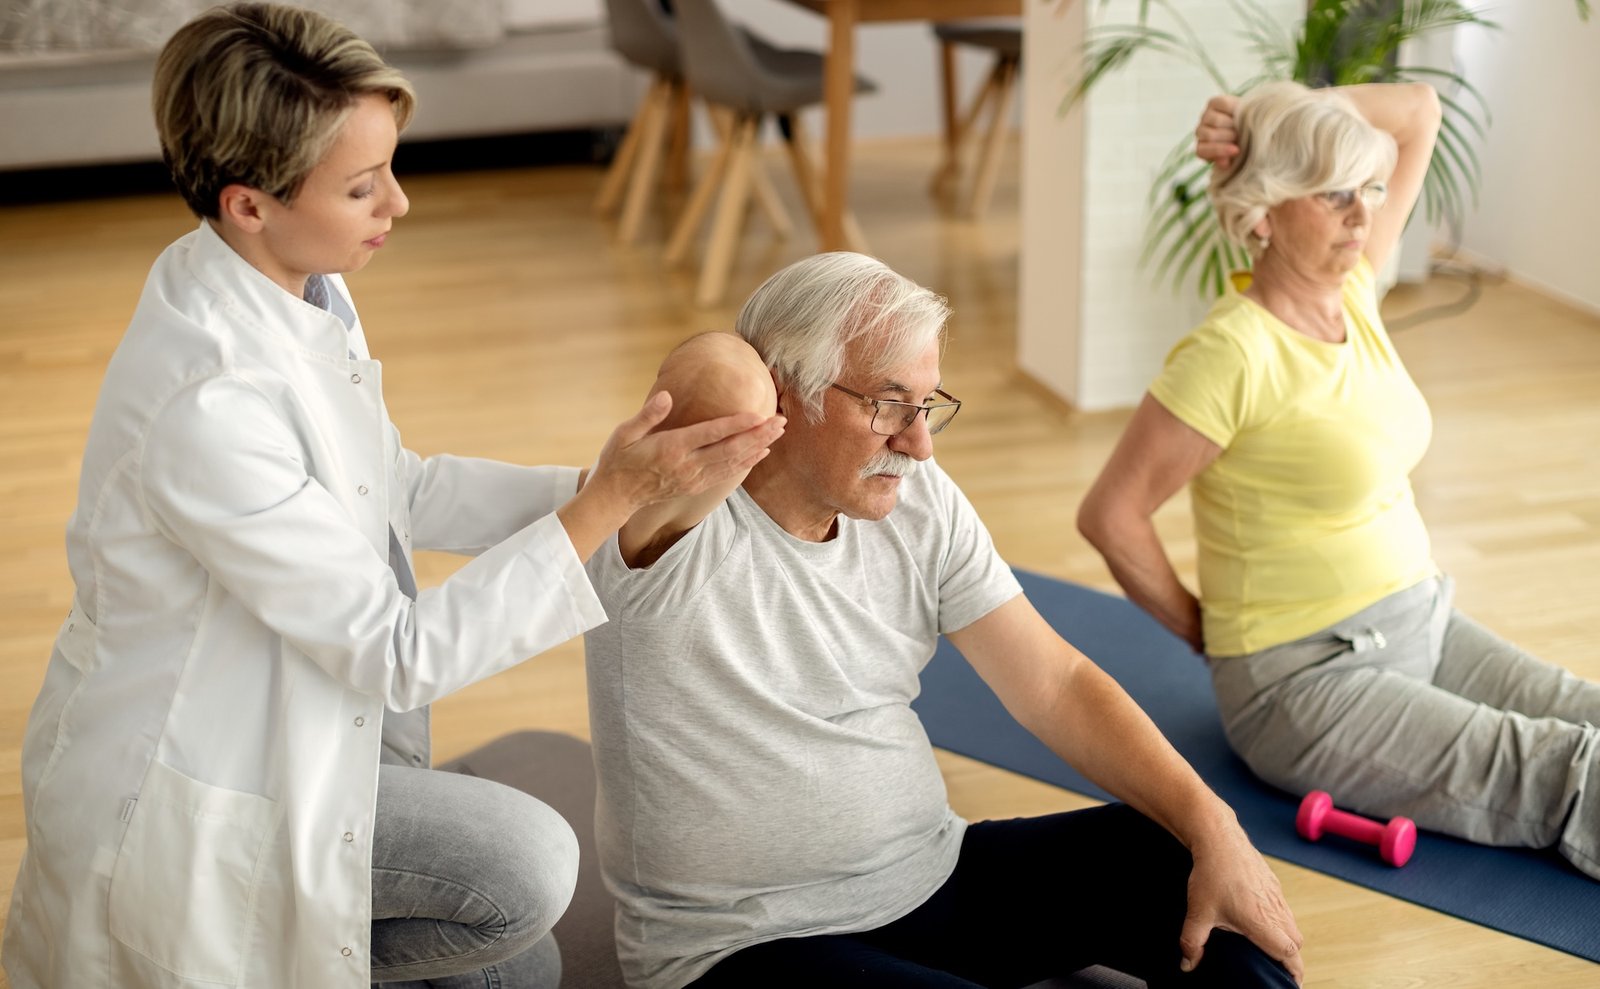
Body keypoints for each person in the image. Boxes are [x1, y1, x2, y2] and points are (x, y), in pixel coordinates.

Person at [0, 5, 784, 988]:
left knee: (522, 972)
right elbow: (396, 652)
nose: (399, 205)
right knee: (528, 867)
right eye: (364, 185)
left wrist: (604, 490)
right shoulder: (210, 402)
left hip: (306, 722)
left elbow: (391, 485)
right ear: (250, 202)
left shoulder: (294, 282)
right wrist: (604, 508)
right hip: (204, 783)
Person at [581, 253, 1304, 989]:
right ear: (783, 395)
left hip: (933, 878)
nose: (918, 442)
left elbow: (1054, 684)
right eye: (888, 404)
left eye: (927, 404)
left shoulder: (915, 496)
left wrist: (1217, 828)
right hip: (747, 944)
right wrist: (756, 371)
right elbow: (709, 368)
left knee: (1189, 865)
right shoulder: (666, 524)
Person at [1077, 80, 1600, 881]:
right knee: (1562, 766)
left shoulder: (1353, 290)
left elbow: (1419, 110)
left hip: (1421, 619)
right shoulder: (1232, 356)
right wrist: (1209, 633)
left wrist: (1261, 105)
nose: (1361, 214)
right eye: (1331, 194)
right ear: (1263, 212)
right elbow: (1111, 514)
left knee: (1589, 711)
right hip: (1308, 680)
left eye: (1365, 190)